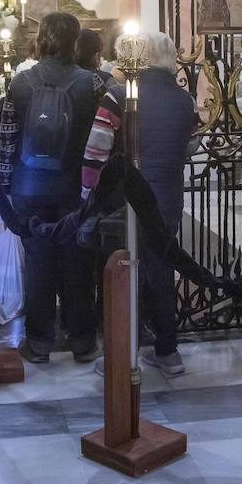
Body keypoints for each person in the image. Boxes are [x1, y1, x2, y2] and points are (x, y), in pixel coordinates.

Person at [82, 32, 199, 374]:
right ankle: (167, 351)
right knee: (161, 271)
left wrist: (87, 197)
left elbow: (96, 151)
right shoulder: (185, 100)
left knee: (123, 271)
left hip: (127, 201)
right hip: (168, 200)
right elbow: (190, 147)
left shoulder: (118, 94)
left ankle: (123, 352)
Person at [0, 12, 105, 364]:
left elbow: (7, 139)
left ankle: (39, 343)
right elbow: (100, 142)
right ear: (75, 41)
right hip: (75, 188)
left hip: (29, 187)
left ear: (41, 38)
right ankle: (83, 342)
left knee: (38, 263)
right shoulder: (92, 84)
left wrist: (3, 188)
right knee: (78, 262)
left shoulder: (20, 82)